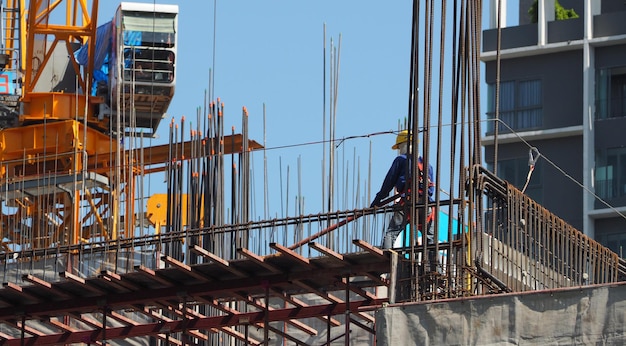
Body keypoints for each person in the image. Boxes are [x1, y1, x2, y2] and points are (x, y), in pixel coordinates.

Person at [371, 130, 435, 249]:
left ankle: (387, 257)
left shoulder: (400, 160)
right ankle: (432, 265)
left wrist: (377, 200)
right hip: (425, 203)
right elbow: (431, 191)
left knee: (392, 233)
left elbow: (388, 183)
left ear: (405, 144)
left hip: (407, 201)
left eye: (400, 146)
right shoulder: (427, 165)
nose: (399, 150)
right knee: (429, 237)